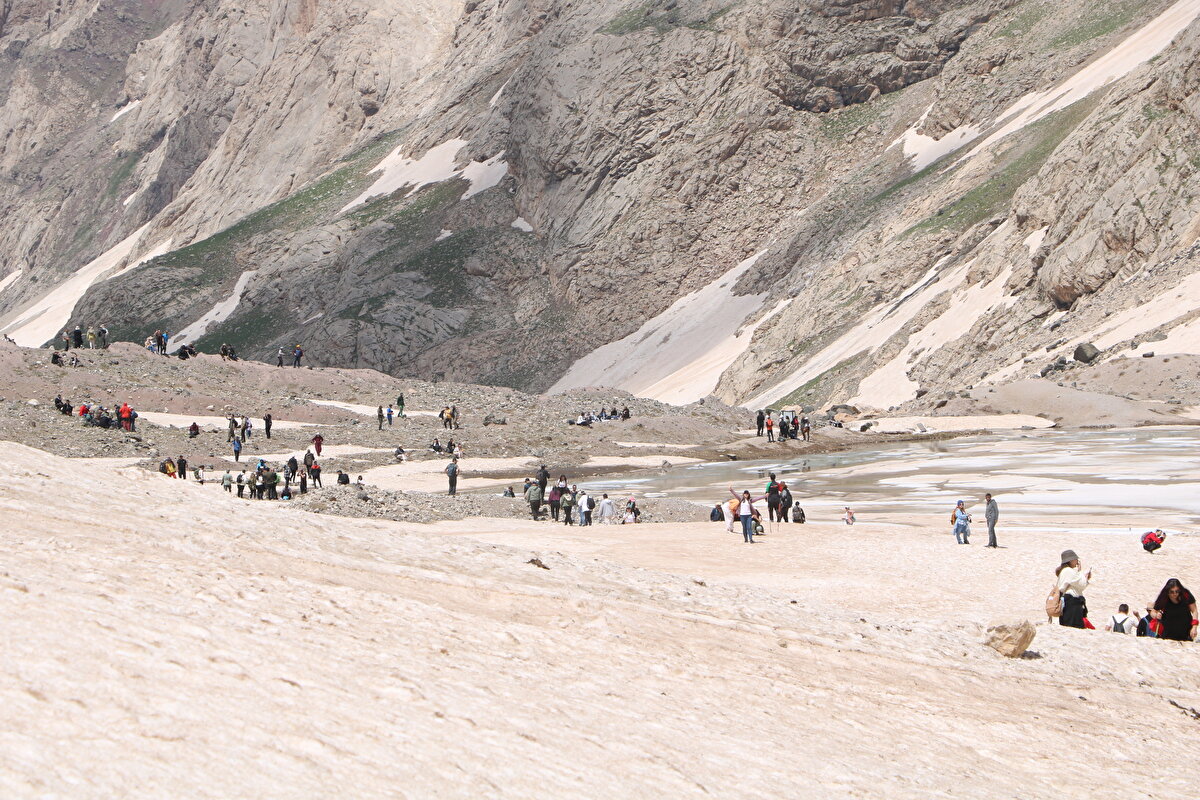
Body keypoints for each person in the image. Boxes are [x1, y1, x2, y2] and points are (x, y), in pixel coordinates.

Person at [1055, 550, 1090, 629]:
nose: (1077, 561)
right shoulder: (1069, 571)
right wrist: (1083, 574)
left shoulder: (1064, 571)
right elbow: (1081, 584)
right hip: (1072, 602)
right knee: (1074, 626)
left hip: (1066, 601)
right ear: (1071, 560)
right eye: (1076, 559)